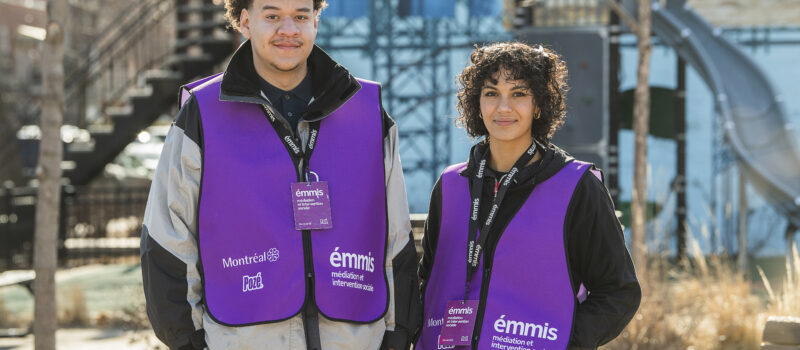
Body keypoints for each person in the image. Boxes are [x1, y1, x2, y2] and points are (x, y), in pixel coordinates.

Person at [140, 0, 420, 349]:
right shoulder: (201, 114)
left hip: (355, 339)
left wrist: (396, 336)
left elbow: (397, 238)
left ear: (316, 21)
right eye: (272, 16)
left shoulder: (367, 111)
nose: (288, 29)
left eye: (301, 16)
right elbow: (167, 239)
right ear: (245, 21)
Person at [415, 42, 641, 349]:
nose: (503, 107)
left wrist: (566, 342)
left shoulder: (578, 187)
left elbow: (619, 292)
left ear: (538, 105)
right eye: (491, 93)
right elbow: (426, 280)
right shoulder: (450, 185)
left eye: (519, 94)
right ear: (476, 103)